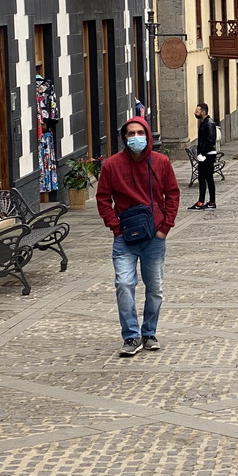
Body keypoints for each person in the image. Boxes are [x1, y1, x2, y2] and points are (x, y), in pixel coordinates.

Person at [96, 116, 180, 357]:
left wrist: (165, 227)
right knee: (124, 284)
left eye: (139, 133)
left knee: (155, 288)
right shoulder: (112, 165)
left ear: (148, 135)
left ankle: (149, 332)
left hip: (154, 236)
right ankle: (131, 336)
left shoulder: (161, 162)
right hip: (125, 237)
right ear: (124, 138)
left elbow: (172, 194)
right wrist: (115, 226)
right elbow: (103, 198)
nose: (135, 138)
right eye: (130, 134)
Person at [188, 102, 218, 211]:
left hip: (207, 155)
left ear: (203, 112)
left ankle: (205, 202)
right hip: (206, 154)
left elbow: (210, 140)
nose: (195, 113)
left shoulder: (209, 123)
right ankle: (208, 201)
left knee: (206, 178)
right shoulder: (205, 122)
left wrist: (202, 153)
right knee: (204, 178)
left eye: (197, 111)